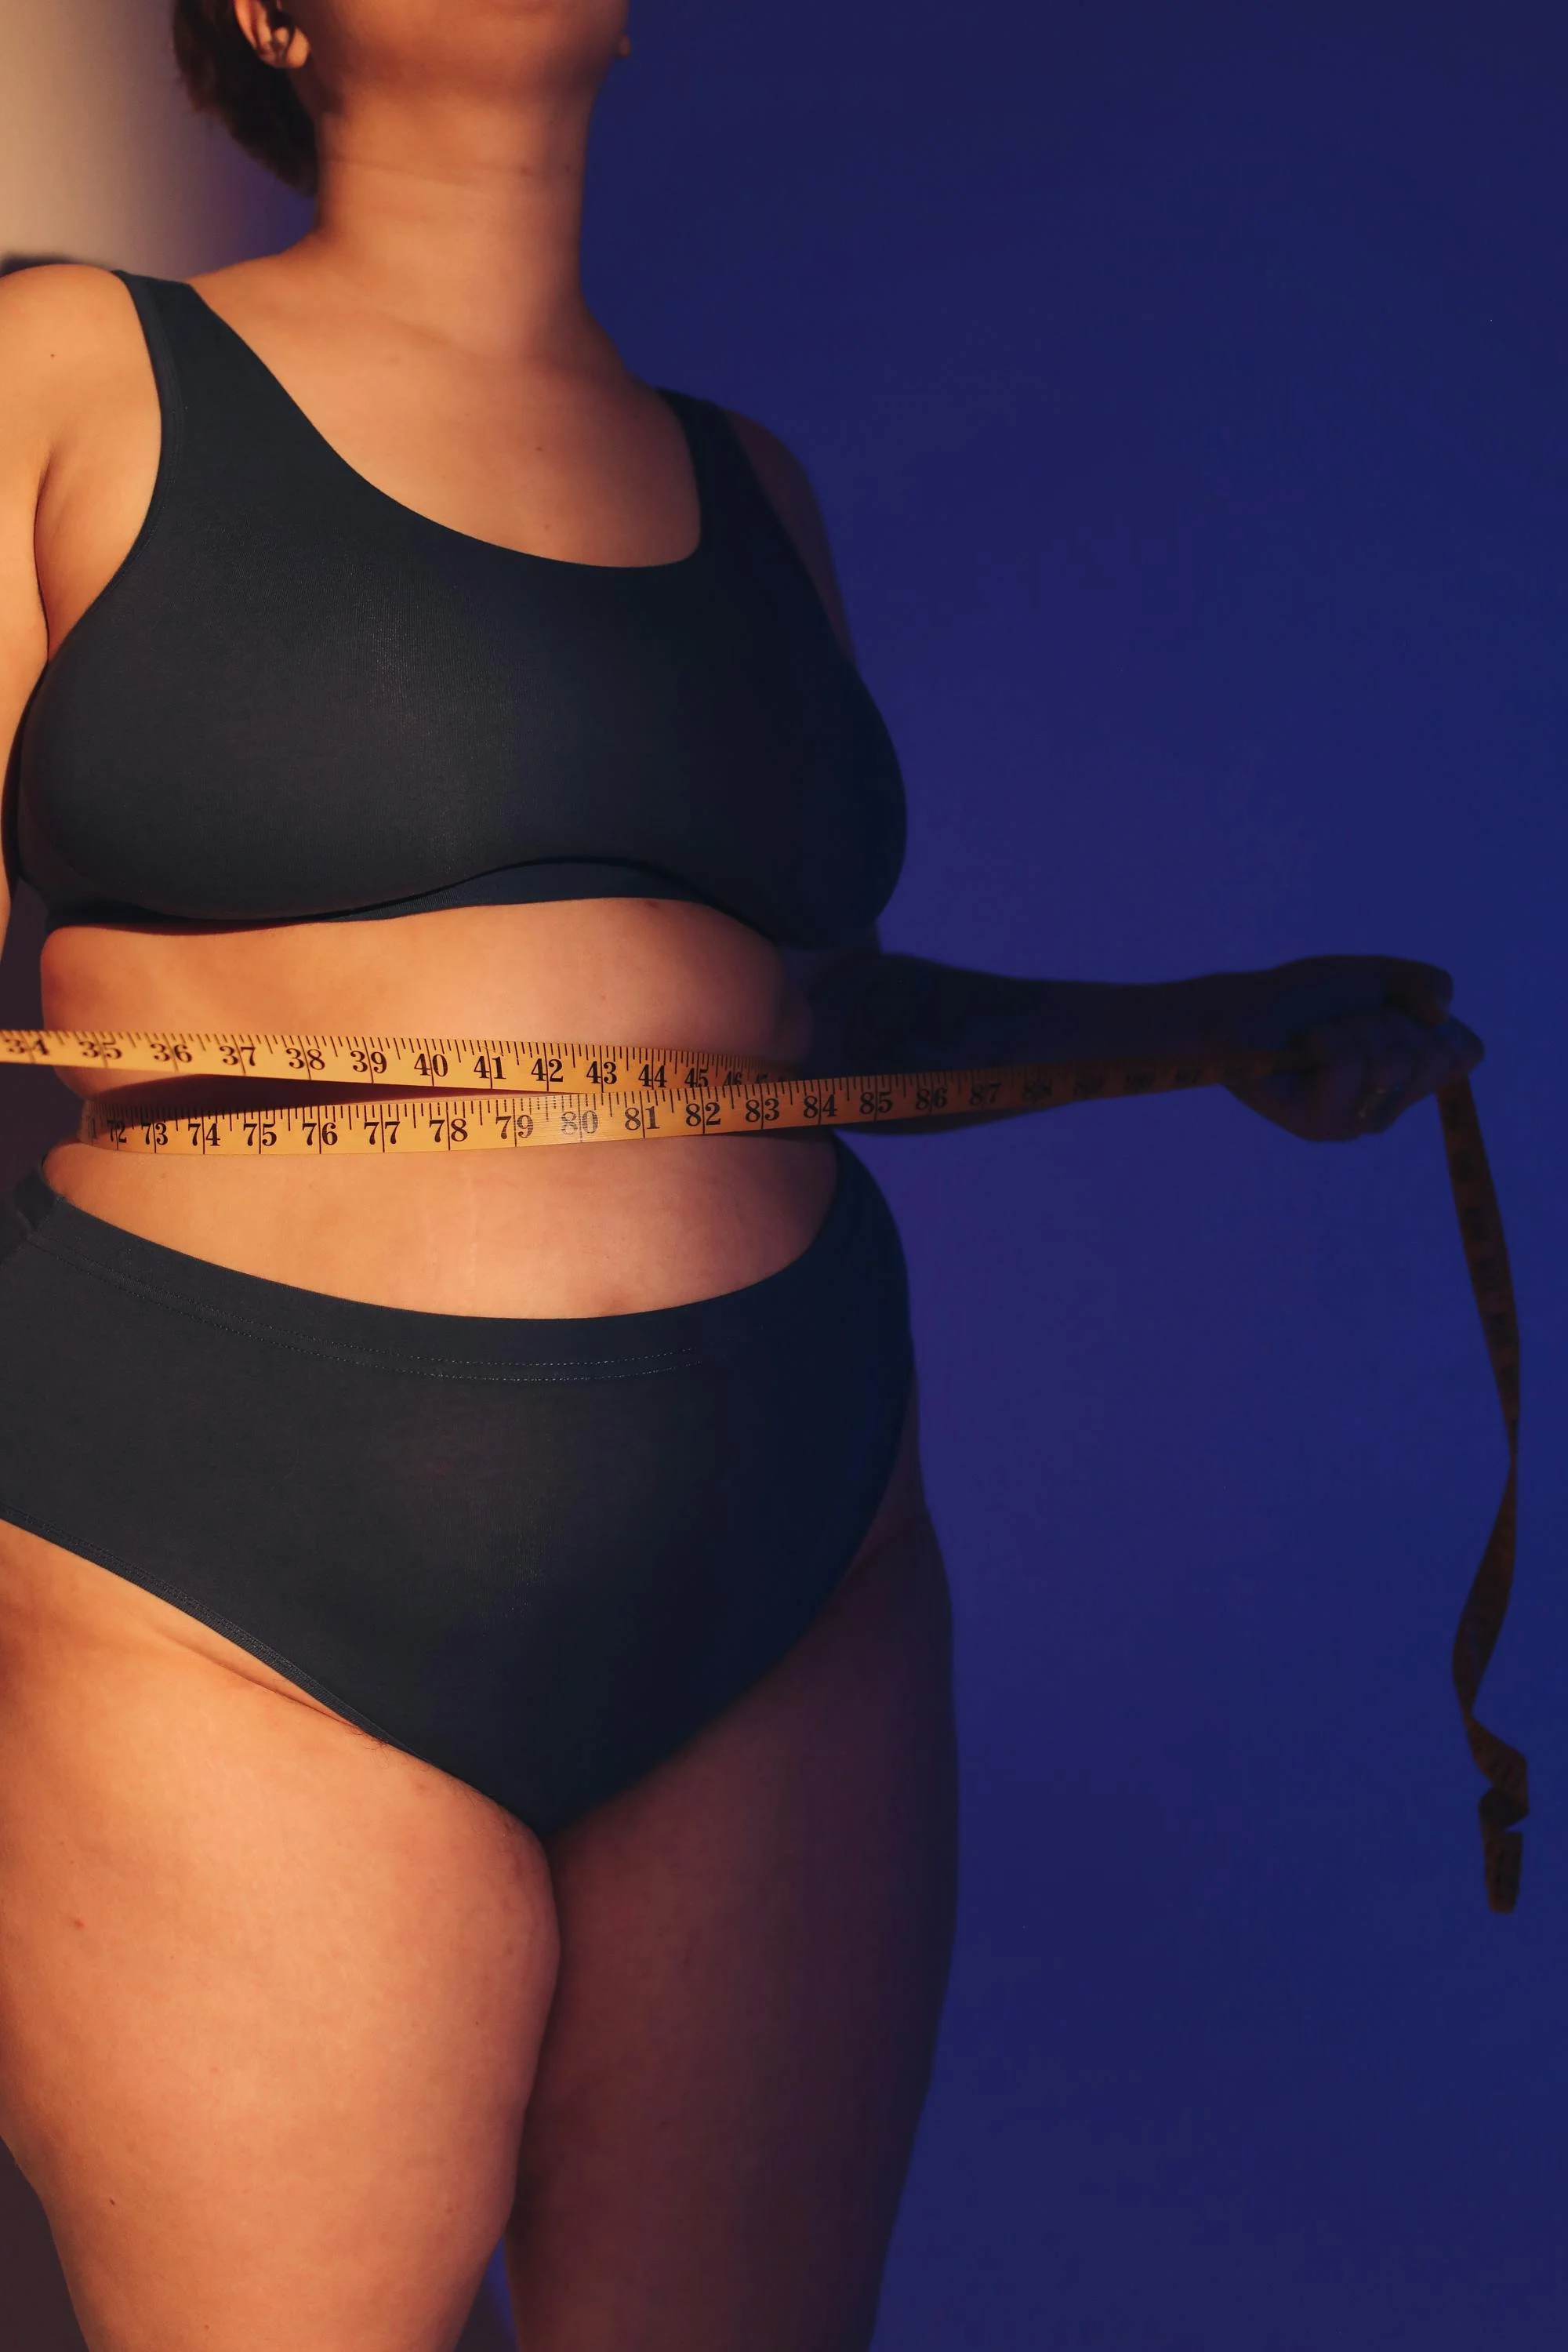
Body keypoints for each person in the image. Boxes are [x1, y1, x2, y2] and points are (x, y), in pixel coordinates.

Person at [0, 5, 1483, 2347]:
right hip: (213, 1553)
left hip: (799, 1558)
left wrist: (1200, 1028)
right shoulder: (67, 367)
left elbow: (756, 1032)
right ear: (270, 10)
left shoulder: (747, 484)